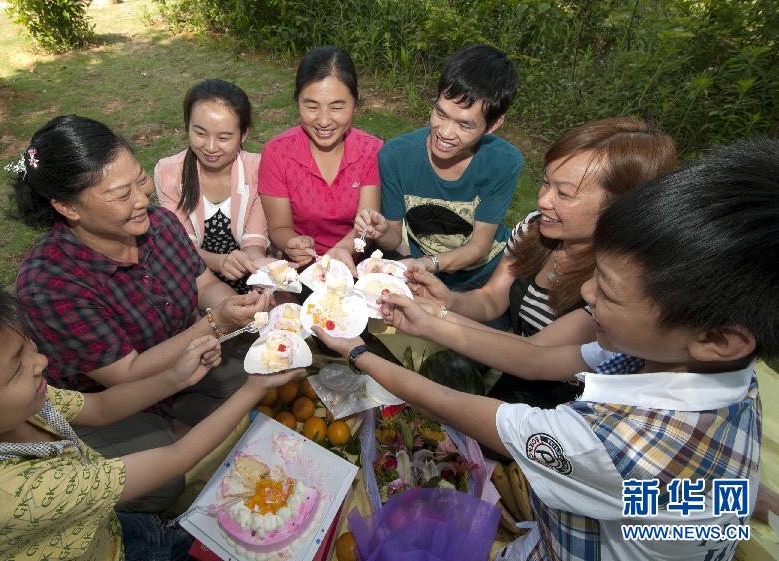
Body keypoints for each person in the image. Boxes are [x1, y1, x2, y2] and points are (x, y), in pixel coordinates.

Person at [316, 138, 776, 561]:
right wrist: (741, 496)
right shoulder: (704, 370)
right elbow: (538, 358)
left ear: (720, 339)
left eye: (609, 292)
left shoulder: (616, 449)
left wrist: (359, 353)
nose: (589, 294)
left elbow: (454, 406)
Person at [0, 266, 301, 561]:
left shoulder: (1, 409)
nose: (40, 361)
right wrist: (254, 387)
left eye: (27, 345)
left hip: (95, 528)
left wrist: (175, 376)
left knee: (138, 532)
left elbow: (99, 407)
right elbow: (177, 458)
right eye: (16, 367)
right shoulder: (12, 496)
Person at [12, 115, 270, 512]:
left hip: (188, 361)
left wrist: (229, 305)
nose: (140, 200)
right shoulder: (49, 283)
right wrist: (216, 324)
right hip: (110, 401)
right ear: (67, 207)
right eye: (120, 194)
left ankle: (180, 424)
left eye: (139, 181)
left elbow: (204, 284)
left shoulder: (161, 225)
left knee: (261, 371)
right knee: (162, 484)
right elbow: (126, 374)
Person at [406, 117, 676, 406]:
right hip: (517, 375)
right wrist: (447, 300)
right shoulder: (535, 230)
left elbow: (534, 354)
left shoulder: (614, 281)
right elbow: (492, 299)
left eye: (564, 194)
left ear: (621, 207)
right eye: (546, 183)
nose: (544, 201)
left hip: (571, 405)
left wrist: (435, 318)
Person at [356, 44, 522, 291]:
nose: (444, 133)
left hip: (481, 276)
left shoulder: (504, 162)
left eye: (464, 125)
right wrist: (381, 233)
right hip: (418, 266)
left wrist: (429, 263)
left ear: (493, 125)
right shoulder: (396, 156)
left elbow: (478, 248)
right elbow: (393, 238)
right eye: (440, 114)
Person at [259, 46, 382, 275]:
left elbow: (367, 223)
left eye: (336, 107)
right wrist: (291, 242)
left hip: (357, 263)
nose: (324, 120)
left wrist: (338, 254)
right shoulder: (277, 153)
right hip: (300, 271)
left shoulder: (371, 151)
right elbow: (278, 228)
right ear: (297, 102)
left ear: (355, 103)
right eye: (312, 106)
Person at [155, 79, 268, 294]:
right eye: (200, 133)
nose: (210, 147)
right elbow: (182, 246)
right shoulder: (169, 173)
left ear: (244, 134)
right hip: (195, 274)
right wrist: (220, 262)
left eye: (224, 137)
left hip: (249, 271)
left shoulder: (258, 170)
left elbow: (254, 241)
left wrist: (258, 267)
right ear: (187, 125)